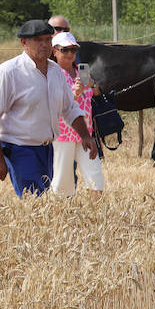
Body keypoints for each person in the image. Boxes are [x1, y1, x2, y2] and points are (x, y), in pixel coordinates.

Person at [0, 19, 96, 197]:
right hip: (19, 149)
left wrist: (86, 136)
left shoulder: (56, 72)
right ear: (23, 43)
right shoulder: (8, 72)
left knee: (41, 202)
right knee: (35, 201)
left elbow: (70, 108)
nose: (44, 44)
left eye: (48, 39)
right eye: (38, 40)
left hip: (47, 150)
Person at [50, 31, 105, 195]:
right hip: (63, 133)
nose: (69, 54)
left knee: (95, 176)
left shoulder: (81, 70)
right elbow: (56, 102)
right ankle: (59, 215)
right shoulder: (52, 73)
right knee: (62, 180)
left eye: (73, 50)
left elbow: (96, 93)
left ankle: (96, 214)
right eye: (64, 50)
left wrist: (92, 85)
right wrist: (76, 93)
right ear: (54, 51)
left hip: (85, 133)